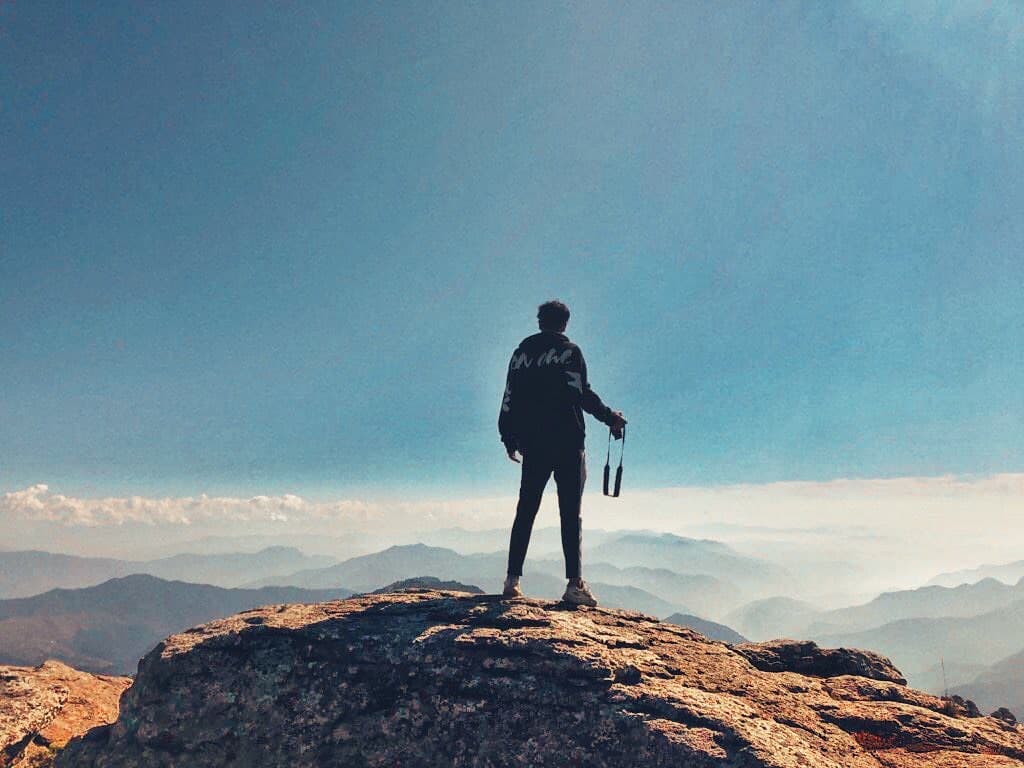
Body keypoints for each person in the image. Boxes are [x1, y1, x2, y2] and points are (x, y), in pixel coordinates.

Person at [498, 299, 626, 606]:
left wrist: (508, 437)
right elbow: (581, 394)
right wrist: (610, 418)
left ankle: (512, 581)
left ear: (539, 321)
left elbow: (509, 397)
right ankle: (573, 585)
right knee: (570, 513)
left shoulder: (520, 355)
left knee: (525, 510)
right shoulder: (570, 352)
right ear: (565, 323)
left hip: (533, 444)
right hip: (568, 442)